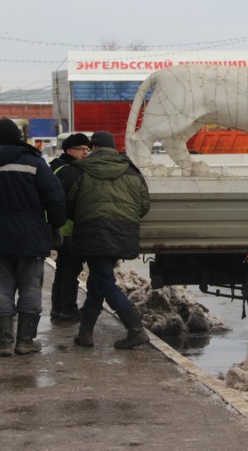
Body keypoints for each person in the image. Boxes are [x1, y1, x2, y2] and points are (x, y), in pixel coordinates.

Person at [0, 118, 66, 357]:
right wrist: (56, 224)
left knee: (0, 288)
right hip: (30, 236)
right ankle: (25, 340)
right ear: (18, 137)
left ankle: (3, 343)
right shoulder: (32, 160)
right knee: (30, 286)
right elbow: (54, 195)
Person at [61, 131, 151, 349]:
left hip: (92, 231)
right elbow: (143, 205)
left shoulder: (80, 170)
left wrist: (82, 217)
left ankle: (135, 330)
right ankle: (85, 334)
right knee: (98, 282)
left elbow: (66, 203)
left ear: (93, 148)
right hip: (123, 232)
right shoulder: (132, 171)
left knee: (105, 283)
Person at [48, 133, 91, 321]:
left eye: (87, 149)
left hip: (59, 226)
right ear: (69, 151)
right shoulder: (69, 171)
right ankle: (69, 308)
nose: (86, 153)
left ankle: (58, 308)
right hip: (69, 227)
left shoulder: (56, 167)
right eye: (82, 149)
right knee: (71, 269)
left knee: (62, 268)